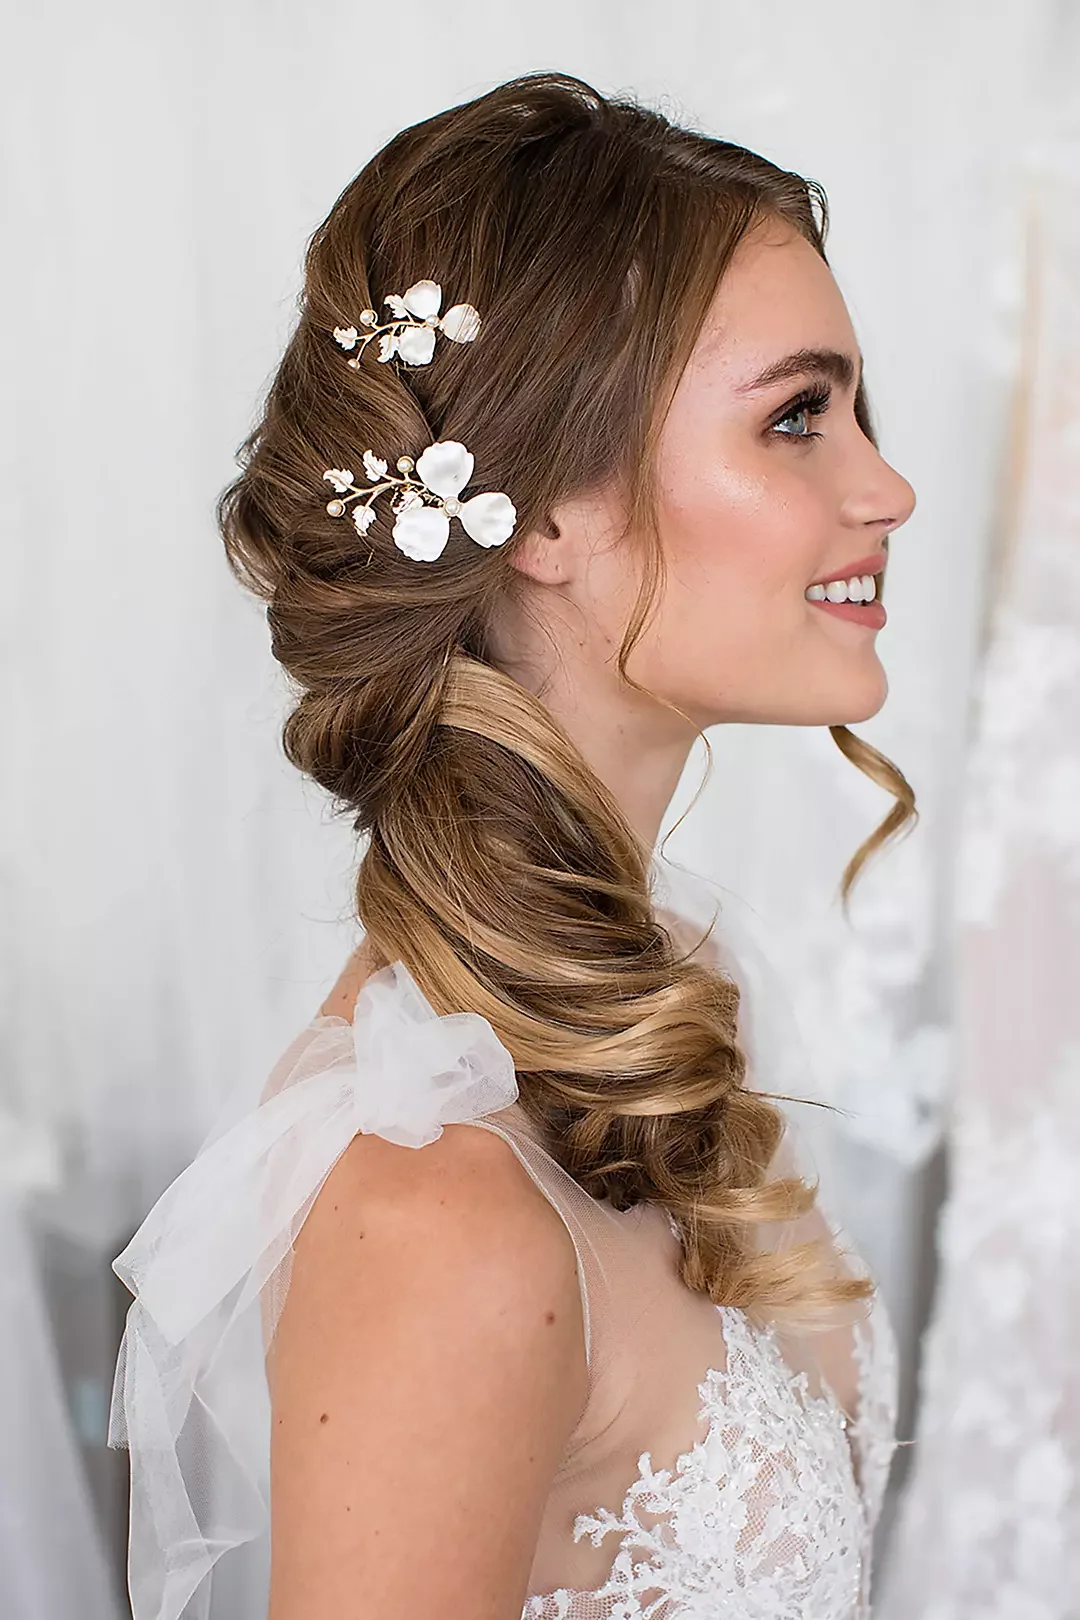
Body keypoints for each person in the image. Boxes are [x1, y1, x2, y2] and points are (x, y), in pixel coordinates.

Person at [108, 68, 918, 1620]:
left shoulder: (664, 990)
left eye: (856, 413)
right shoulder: (439, 1216)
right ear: (541, 510)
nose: (885, 486)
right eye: (797, 417)